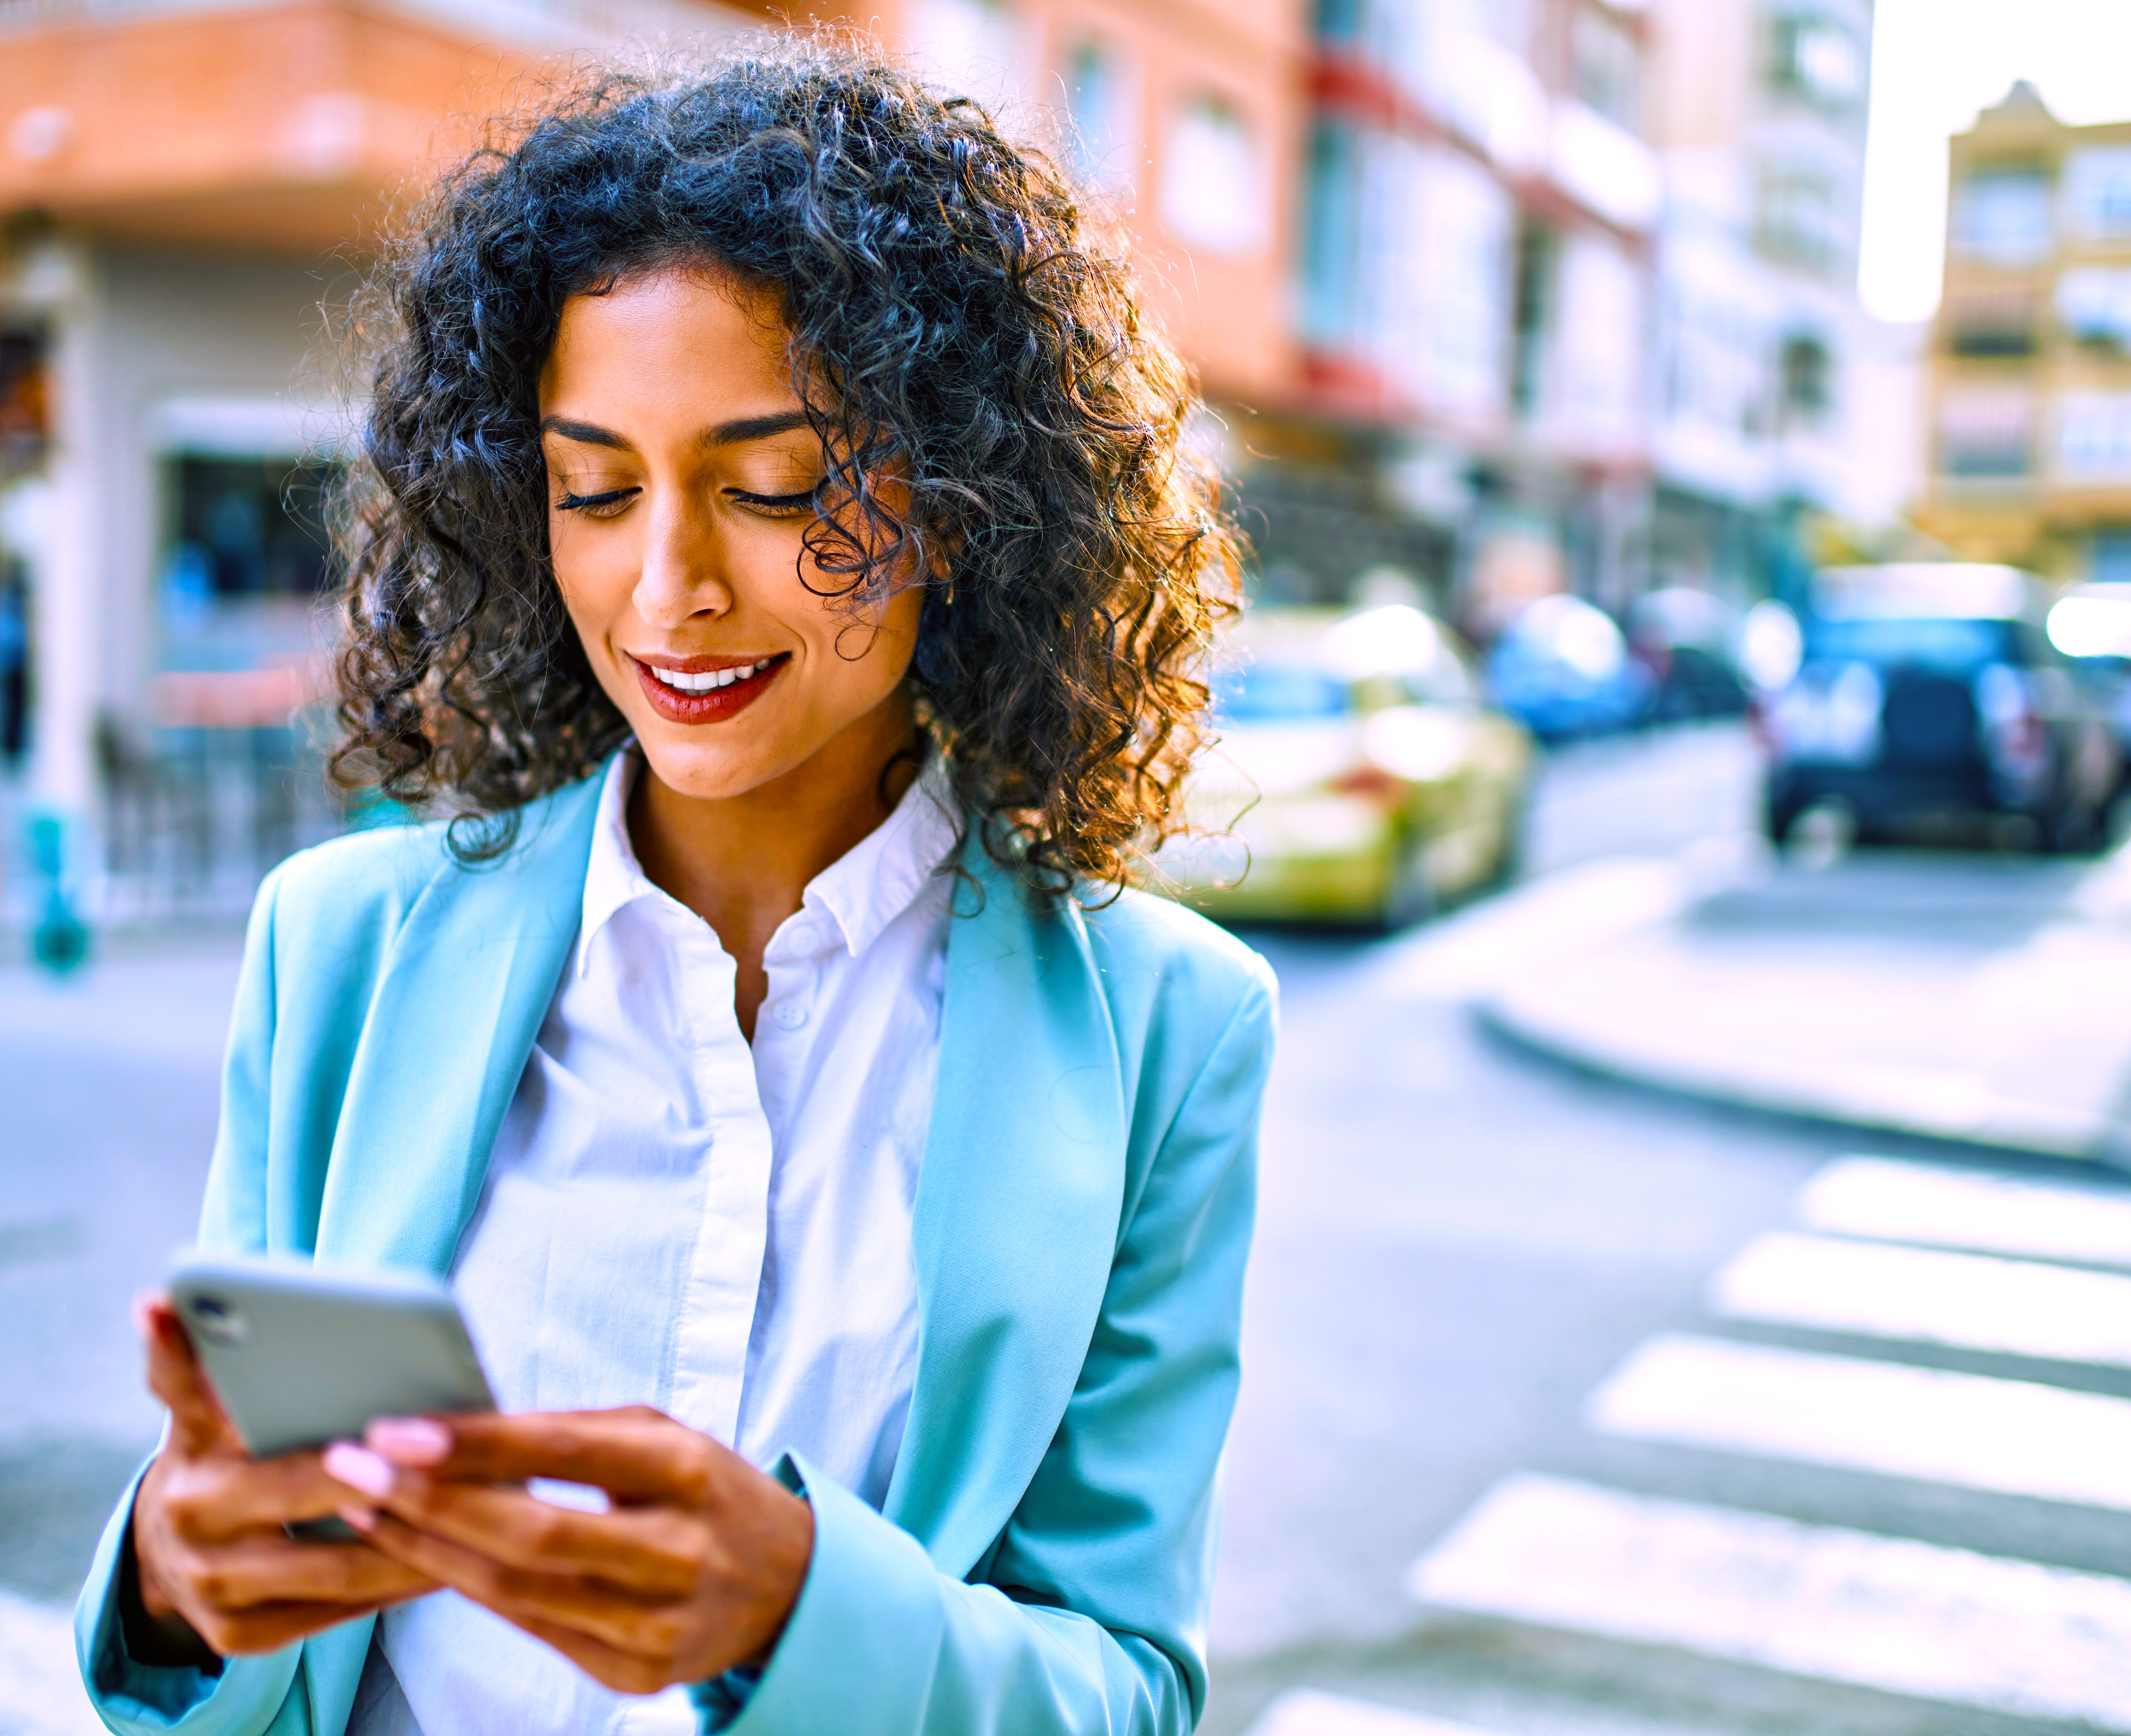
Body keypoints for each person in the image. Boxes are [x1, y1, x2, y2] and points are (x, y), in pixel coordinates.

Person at [75, 45, 1276, 1736]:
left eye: (774, 487)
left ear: (960, 497)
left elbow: (1123, 1682)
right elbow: (234, 1607)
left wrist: (804, 1616)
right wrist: (176, 1580)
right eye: (595, 489)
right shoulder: (339, 946)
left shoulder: (1169, 1031)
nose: (666, 588)